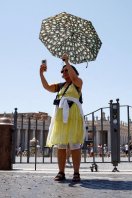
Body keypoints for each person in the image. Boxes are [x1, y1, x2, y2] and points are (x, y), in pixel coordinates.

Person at [40, 54, 84, 182]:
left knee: (75, 145)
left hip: (73, 116)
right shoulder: (60, 86)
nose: (64, 72)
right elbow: (47, 87)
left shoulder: (78, 82)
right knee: (61, 145)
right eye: (62, 71)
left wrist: (67, 62)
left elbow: (74, 77)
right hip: (60, 116)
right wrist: (41, 73)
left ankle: (76, 172)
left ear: (72, 71)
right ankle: (61, 172)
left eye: (67, 70)